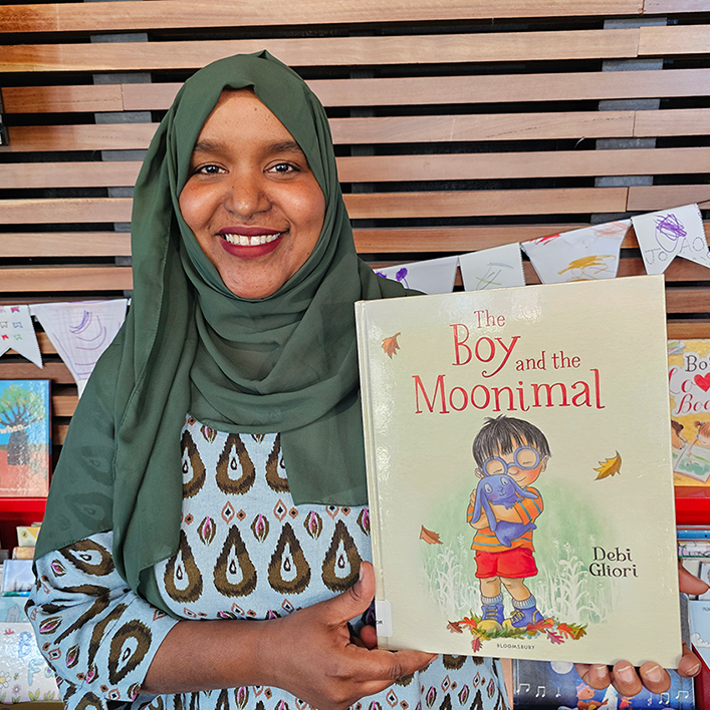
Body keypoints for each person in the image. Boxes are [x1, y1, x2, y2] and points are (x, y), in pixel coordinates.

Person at [27, 51, 704, 710]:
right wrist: (263, 654)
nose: (246, 199)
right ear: (174, 192)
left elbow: (529, 509)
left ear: (324, 182)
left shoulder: (437, 348)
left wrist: (616, 588)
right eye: (209, 167)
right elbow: (68, 621)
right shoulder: (136, 373)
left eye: (283, 165)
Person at [467, 416, 547, 631]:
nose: (512, 470)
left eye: (525, 460)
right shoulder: (480, 495)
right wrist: (482, 504)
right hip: (484, 548)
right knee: (487, 580)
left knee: (512, 582)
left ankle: (529, 613)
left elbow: (515, 515)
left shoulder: (531, 496)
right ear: (482, 473)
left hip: (515, 549)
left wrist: (488, 502)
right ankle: (492, 614)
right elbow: (476, 523)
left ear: (543, 462)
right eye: (497, 467)